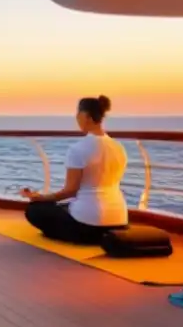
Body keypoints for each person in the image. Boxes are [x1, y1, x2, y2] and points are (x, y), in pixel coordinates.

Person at [21, 95, 128, 244]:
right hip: (119, 221)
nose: (76, 118)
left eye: (78, 114)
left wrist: (40, 198)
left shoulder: (78, 149)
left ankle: (66, 234)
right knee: (63, 206)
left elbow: (70, 190)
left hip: (87, 225)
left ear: (86, 116)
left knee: (34, 210)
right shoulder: (119, 147)